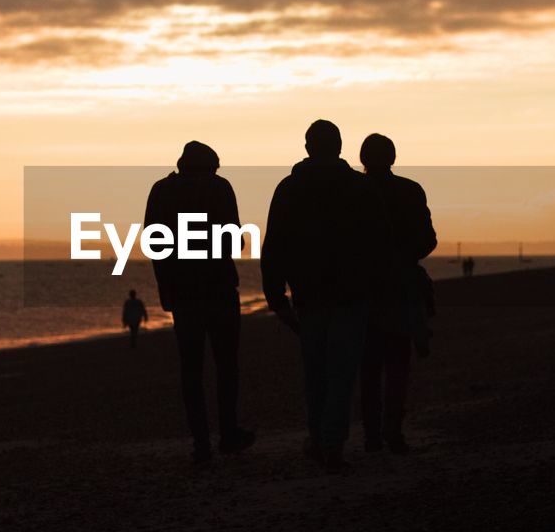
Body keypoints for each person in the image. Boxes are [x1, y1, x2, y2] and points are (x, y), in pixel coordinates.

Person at [261, 120, 384, 472]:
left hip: (309, 294)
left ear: (307, 147)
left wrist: (275, 295)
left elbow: (275, 244)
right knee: (342, 372)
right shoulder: (360, 188)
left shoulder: (288, 188)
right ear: (340, 146)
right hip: (350, 294)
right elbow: (378, 242)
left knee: (316, 372)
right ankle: (330, 442)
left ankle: (321, 439)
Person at [144, 141, 255, 464]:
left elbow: (155, 245)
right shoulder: (220, 188)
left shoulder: (161, 191)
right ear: (211, 166)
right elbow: (235, 240)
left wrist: (165, 287)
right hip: (219, 289)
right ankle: (228, 432)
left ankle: (201, 442)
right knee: (226, 367)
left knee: (191, 371)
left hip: (184, 294)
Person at [358, 133, 437, 455]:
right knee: (397, 364)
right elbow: (428, 240)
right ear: (392, 157)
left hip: (362, 288)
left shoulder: (353, 191)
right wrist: (404, 255)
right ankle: (392, 431)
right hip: (401, 286)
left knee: (369, 367)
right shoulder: (410, 190)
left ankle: (373, 435)